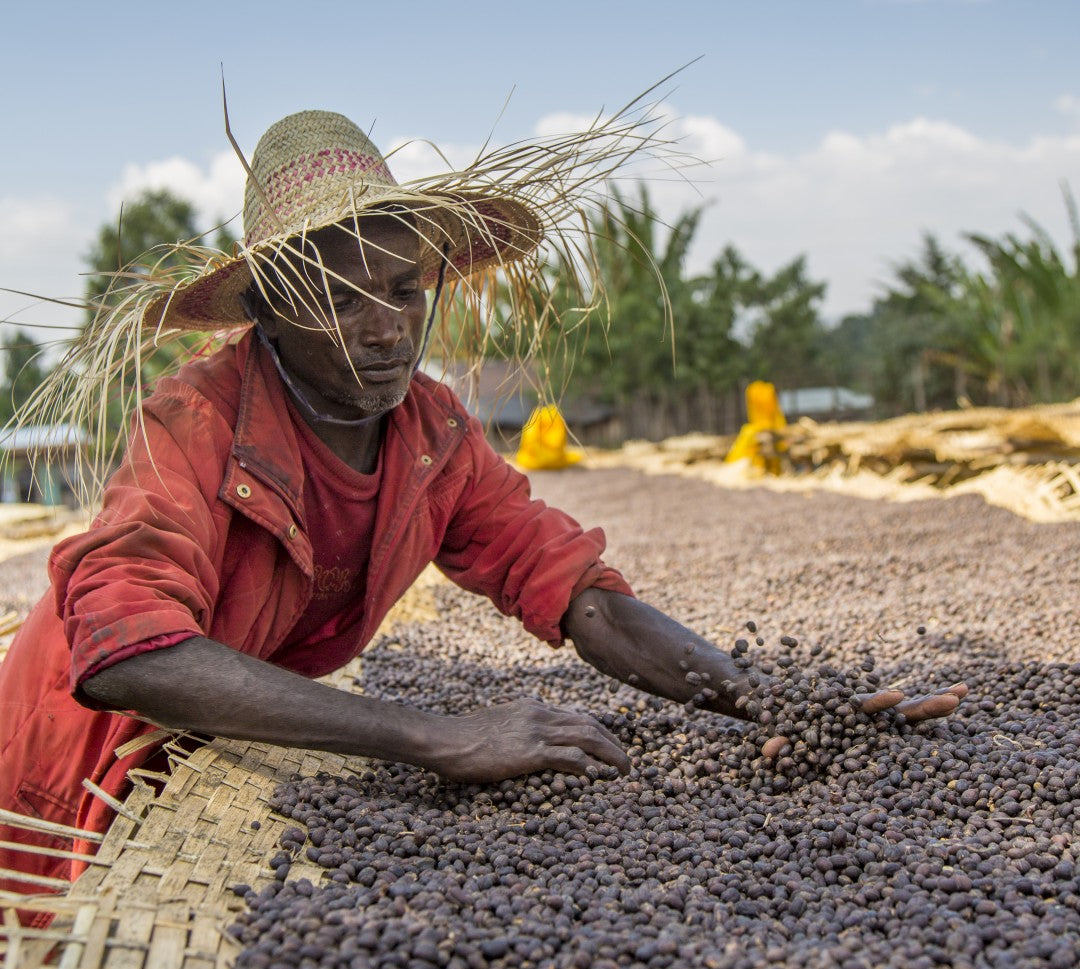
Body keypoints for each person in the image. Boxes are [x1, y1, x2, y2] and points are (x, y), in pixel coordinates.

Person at [0, 109, 966, 916]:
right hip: (74, 772)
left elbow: (576, 591)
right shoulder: (196, 422)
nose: (386, 328)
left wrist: (774, 701)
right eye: (340, 299)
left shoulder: (432, 434)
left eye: (403, 289)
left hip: (230, 733)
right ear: (269, 308)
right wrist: (437, 733)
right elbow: (131, 652)